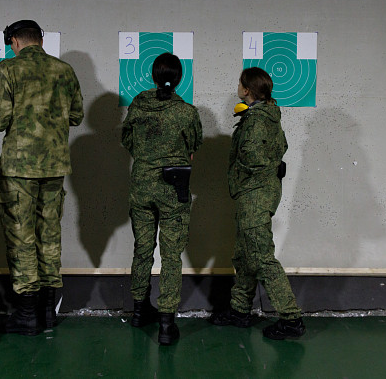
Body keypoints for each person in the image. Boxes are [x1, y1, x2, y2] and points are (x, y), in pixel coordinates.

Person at [0, 19, 83, 335]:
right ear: (40, 40)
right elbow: (76, 115)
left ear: (14, 41)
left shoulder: (8, 69)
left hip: (19, 168)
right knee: (49, 235)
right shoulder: (64, 70)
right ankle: (48, 312)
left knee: (21, 237)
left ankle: (27, 314)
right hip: (54, 166)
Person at [210, 67, 306, 340]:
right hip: (260, 193)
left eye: (240, 84)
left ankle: (291, 318)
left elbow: (252, 157)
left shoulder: (255, 120)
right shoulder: (270, 115)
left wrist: (242, 177)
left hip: (254, 195)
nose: (238, 87)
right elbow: (281, 148)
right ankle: (240, 310)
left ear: (247, 90)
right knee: (244, 254)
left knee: (262, 257)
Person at [121, 52, 203, 345]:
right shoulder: (186, 112)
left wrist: (147, 158)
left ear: (153, 77)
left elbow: (127, 140)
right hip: (173, 189)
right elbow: (194, 146)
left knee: (142, 249)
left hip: (141, 186)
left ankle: (139, 311)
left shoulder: (138, 105)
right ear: (179, 79)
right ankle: (167, 324)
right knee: (171, 255)